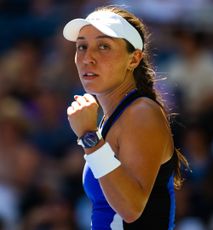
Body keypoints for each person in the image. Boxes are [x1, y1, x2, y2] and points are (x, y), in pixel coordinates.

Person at [62, 5, 188, 230]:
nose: (87, 58)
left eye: (103, 46)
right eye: (82, 46)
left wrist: (89, 137)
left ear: (134, 59)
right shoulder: (118, 115)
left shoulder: (142, 113)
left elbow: (131, 209)